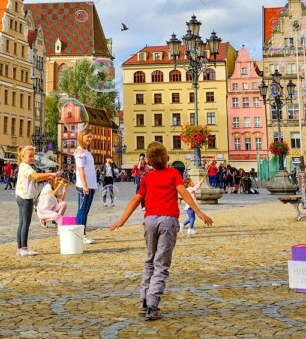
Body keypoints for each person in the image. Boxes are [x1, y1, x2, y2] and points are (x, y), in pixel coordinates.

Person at [110, 141, 212, 322]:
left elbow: (136, 199)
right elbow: (183, 192)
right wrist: (199, 212)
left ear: (148, 162)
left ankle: (143, 301)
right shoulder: (173, 173)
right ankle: (152, 305)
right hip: (167, 220)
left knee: (149, 260)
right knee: (161, 264)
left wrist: (121, 220)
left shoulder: (147, 178)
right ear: (167, 158)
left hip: (149, 220)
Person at [15, 145, 58, 256]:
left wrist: (46, 177)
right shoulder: (27, 167)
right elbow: (36, 177)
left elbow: (33, 179)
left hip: (20, 196)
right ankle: (24, 248)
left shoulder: (22, 166)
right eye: (30, 156)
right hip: (26, 197)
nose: (32, 158)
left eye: (33, 156)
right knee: (26, 223)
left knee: (22, 223)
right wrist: (51, 174)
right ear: (23, 156)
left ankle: (20, 248)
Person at [73, 130, 99, 244]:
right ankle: (80, 235)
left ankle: (82, 234)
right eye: (87, 137)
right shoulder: (80, 151)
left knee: (86, 211)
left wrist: (93, 187)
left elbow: (90, 170)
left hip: (90, 186)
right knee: (82, 210)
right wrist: (85, 186)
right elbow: (81, 170)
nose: (89, 139)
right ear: (81, 137)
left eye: (91, 137)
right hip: (84, 186)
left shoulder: (87, 151)